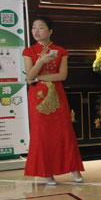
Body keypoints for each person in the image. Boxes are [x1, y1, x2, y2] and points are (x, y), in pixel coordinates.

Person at [22, 16, 84, 185]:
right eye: (34, 27)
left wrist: (39, 77)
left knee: (63, 132)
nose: (36, 31)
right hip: (37, 98)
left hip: (57, 95)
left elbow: (62, 75)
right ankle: (46, 172)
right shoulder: (28, 51)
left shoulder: (60, 51)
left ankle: (74, 168)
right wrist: (40, 62)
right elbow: (29, 77)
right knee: (41, 134)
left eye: (41, 27)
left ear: (50, 31)